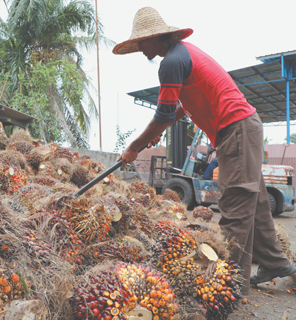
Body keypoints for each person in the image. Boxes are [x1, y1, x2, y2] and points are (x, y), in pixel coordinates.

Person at [113, 7, 295, 295]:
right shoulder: (182, 55)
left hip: (236, 128)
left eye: (142, 43)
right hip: (241, 128)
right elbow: (178, 109)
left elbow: (163, 113)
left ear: (156, 37)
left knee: (234, 206)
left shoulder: (171, 62)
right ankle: (276, 263)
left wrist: (133, 147)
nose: (141, 49)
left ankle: (225, 284)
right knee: (256, 203)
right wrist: (157, 132)